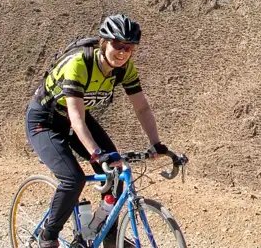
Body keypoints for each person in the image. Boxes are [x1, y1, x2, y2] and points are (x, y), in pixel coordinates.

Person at [26, 13, 169, 248]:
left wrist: (156, 143)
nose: (123, 52)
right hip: (45, 121)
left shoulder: (125, 69)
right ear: (104, 42)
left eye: (129, 47)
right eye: (118, 45)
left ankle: (106, 235)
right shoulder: (79, 64)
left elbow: (142, 108)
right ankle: (48, 236)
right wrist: (95, 152)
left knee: (116, 174)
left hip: (78, 119)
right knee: (73, 180)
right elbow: (76, 118)